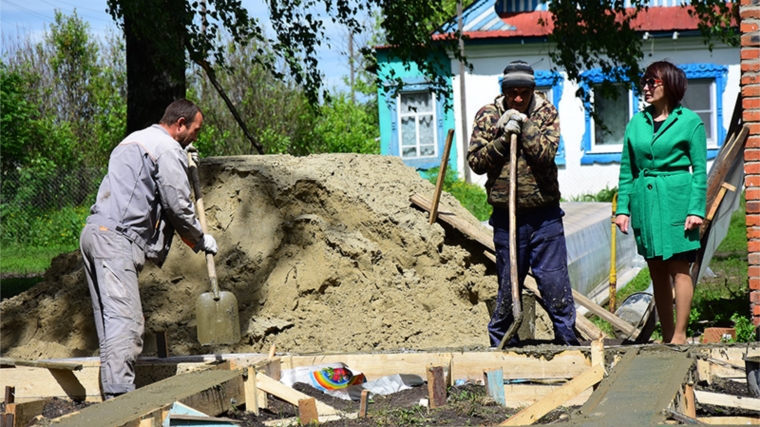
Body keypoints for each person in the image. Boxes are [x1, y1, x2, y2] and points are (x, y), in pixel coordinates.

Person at [80, 99, 218, 399]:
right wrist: (199, 238)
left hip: (94, 233)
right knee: (127, 323)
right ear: (180, 124)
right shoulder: (167, 149)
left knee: (110, 323)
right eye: (195, 130)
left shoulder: (135, 139)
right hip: (115, 240)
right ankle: (121, 402)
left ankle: (111, 396)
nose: (196, 136)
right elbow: (177, 204)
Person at [468, 60, 579, 347]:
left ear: (533, 90)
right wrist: (503, 140)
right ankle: (503, 346)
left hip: (545, 217)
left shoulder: (545, 113)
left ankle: (568, 344)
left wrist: (525, 126)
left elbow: (545, 155)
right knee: (509, 286)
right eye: (512, 92)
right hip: (508, 218)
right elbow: (476, 162)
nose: (517, 98)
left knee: (555, 285)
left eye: (524, 92)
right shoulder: (488, 115)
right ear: (503, 91)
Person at [615, 61, 707, 345]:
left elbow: (700, 170)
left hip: (677, 200)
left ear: (668, 85)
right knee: (656, 271)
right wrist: (623, 209)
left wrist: (696, 209)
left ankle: (679, 336)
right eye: (644, 82)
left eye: (651, 82)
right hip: (646, 202)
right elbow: (627, 169)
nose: (645, 87)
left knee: (679, 268)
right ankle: (666, 335)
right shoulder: (636, 123)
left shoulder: (690, 122)